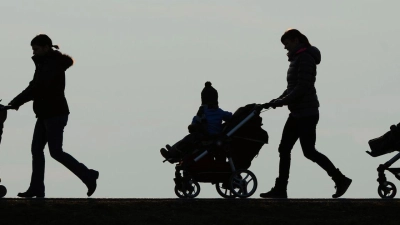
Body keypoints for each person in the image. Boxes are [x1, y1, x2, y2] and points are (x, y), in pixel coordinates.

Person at [260, 29, 351, 198]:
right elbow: (291, 87)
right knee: (285, 149)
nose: (285, 48)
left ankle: (340, 179)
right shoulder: (297, 59)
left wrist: (281, 101)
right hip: (297, 112)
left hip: (306, 113)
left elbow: (302, 87)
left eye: (286, 43)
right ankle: (281, 188)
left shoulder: (305, 58)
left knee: (308, 151)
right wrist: (276, 100)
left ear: (296, 40)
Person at [8, 34, 99, 198]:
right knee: (37, 150)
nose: (33, 53)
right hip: (44, 113)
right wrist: (16, 101)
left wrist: (17, 101)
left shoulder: (52, 65)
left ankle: (88, 175)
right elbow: (35, 85)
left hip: (55, 114)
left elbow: (37, 87)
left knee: (55, 151)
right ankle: (36, 188)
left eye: (36, 49)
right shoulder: (45, 63)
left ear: (45, 47)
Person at [160, 81, 232, 160]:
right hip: (215, 135)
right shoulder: (219, 112)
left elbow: (195, 122)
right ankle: (174, 150)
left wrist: (193, 126)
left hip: (206, 137)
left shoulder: (202, 111)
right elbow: (230, 116)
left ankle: (173, 152)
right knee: (189, 139)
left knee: (187, 139)